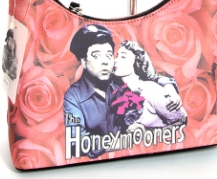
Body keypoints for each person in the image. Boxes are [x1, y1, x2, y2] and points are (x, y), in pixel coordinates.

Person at [63, 25, 183, 157]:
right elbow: (76, 143)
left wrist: (169, 88)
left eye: (109, 55)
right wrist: (128, 139)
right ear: (84, 61)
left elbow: (149, 78)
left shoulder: (119, 80)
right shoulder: (73, 97)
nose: (105, 62)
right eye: (96, 55)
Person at [113, 40, 187, 130]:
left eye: (123, 57)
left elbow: (182, 120)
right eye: (117, 56)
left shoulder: (150, 90)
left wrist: (147, 131)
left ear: (137, 61)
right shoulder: (116, 91)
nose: (115, 60)